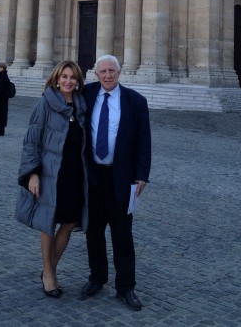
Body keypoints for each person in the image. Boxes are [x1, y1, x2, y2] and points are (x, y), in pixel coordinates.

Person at [81, 55, 151, 311]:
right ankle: (97, 278)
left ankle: (126, 286)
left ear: (119, 73)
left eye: (112, 71)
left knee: (123, 234)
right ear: (96, 74)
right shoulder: (86, 95)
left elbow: (144, 141)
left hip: (121, 177)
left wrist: (142, 174)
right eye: (103, 71)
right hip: (93, 176)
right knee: (94, 232)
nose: (107, 75)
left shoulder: (135, 101)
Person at [14, 60, 88, 299]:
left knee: (67, 223)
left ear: (78, 82)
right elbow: (31, 142)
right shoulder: (44, 104)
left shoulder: (81, 106)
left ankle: (48, 269)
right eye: (64, 76)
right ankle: (49, 274)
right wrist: (32, 173)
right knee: (49, 222)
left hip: (74, 173)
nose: (68, 81)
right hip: (50, 173)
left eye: (73, 77)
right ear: (57, 79)